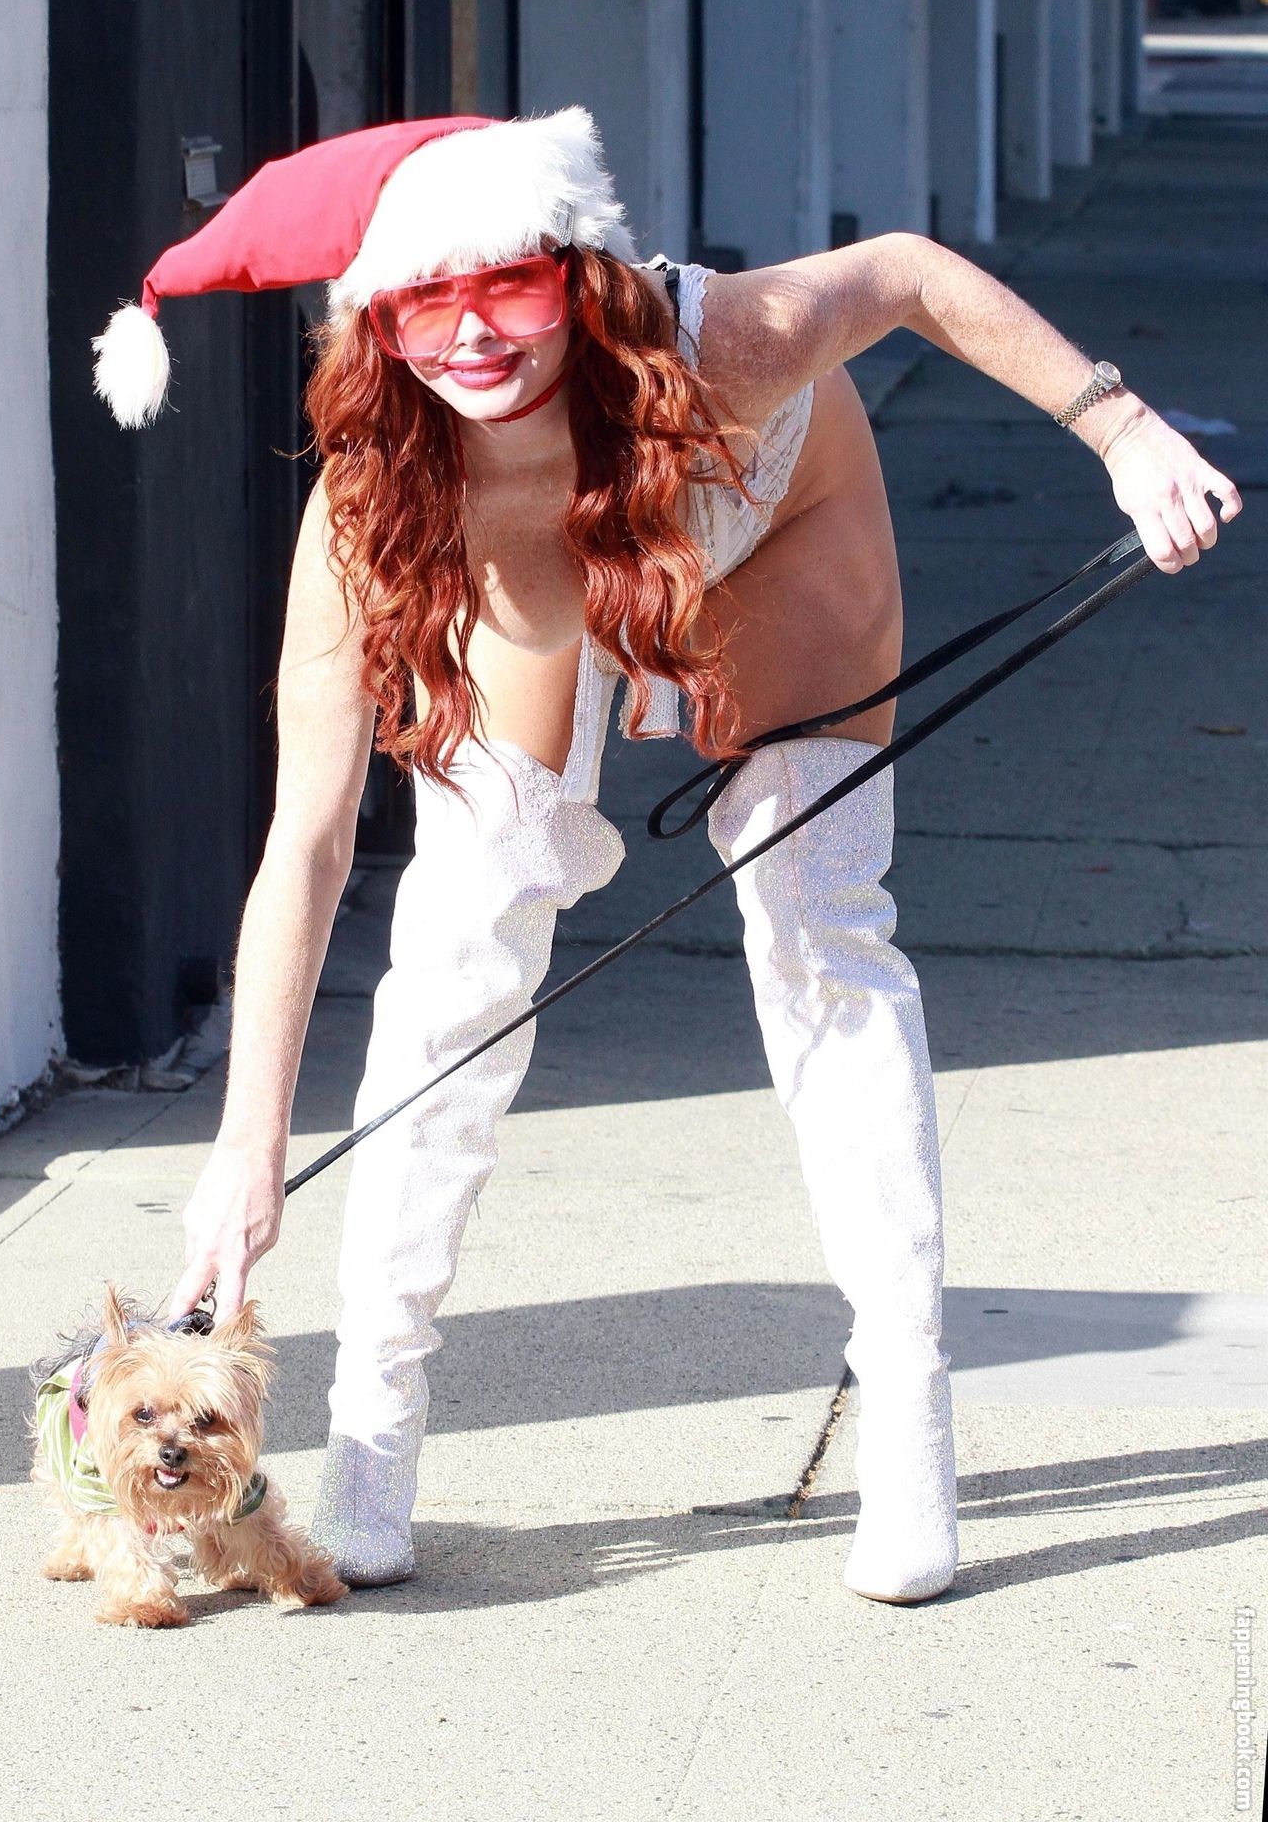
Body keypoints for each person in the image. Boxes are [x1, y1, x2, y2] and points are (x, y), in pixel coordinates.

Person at [94, 106, 1240, 1602]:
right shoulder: (372, 504)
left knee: (819, 928)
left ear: (577, 273)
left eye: (511, 285)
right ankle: (374, 1430)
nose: (472, 336)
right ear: (375, 324)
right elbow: (304, 844)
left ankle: (906, 1403)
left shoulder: (722, 348)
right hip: (533, 579)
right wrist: (247, 1156)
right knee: (457, 946)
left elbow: (903, 271)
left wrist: (1124, 431)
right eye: (425, 304)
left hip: (766, 513)